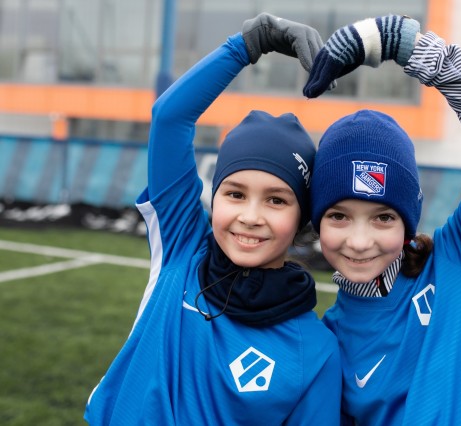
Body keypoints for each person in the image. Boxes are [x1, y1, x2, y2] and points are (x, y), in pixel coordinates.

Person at [303, 14, 461, 425]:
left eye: (383, 217)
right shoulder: (327, 341)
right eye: (338, 216)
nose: (359, 240)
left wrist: (400, 43)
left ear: (408, 222)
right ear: (316, 221)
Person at [84, 14, 341, 425]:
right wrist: (247, 45)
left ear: (302, 220)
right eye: (235, 194)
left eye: (276, 200)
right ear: (214, 198)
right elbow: (169, 118)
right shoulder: (183, 249)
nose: (250, 217)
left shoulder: (316, 351)